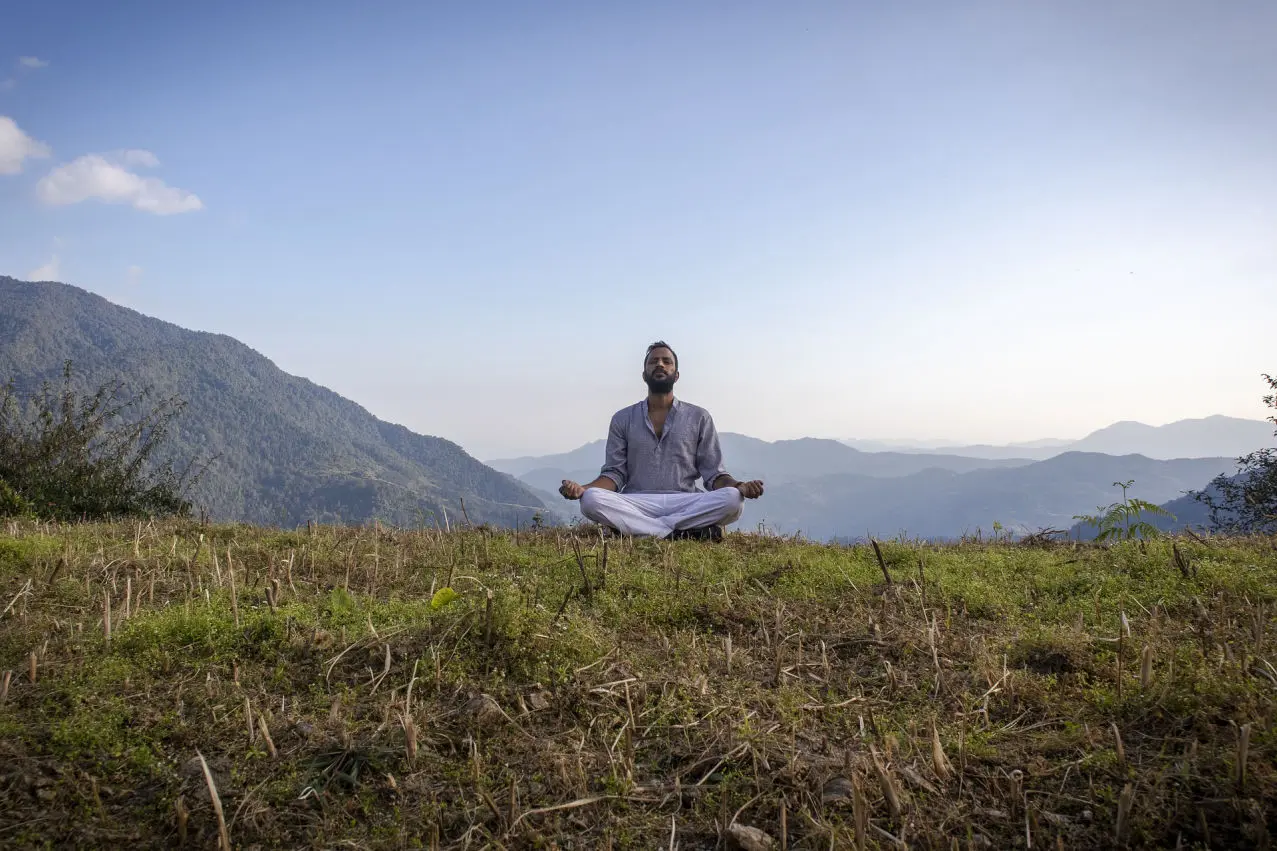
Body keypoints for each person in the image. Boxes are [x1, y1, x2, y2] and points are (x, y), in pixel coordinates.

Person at [558, 341, 764, 540]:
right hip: (638, 502)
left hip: (685, 500)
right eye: (653, 361)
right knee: (591, 500)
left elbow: (714, 475)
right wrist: (584, 489)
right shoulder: (623, 419)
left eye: (667, 361)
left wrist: (739, 486)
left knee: (733, 499)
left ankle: (645, 530)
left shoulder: (699, 417)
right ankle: (680, 532)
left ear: (676, 375)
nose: (660, 364)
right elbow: (615, 474)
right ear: (643, 375)